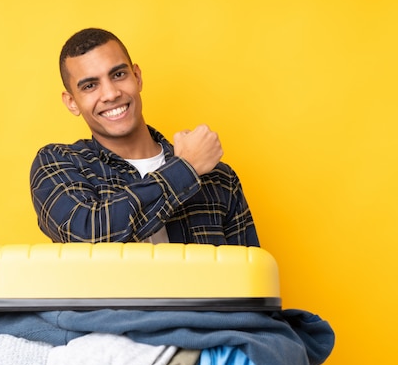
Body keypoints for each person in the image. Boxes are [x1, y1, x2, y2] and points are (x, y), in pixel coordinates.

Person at [30, 28, 259, 246]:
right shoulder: (58, 163)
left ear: (137, 77)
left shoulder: (218, 177)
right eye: (90, 86)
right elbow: (88, 237)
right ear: (72, 102)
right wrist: (185, 170)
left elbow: (250, 279)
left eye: (118, 74)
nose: (111, 94)